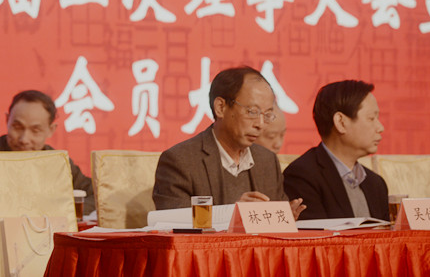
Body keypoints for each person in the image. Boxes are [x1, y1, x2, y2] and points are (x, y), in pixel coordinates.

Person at [152, 66, 305, 218]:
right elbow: (174, 222)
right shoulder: (180, 161)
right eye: (252, 112)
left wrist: (284, 217)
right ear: (220, 108)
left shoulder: (267, 161)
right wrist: (231, 215)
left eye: (267, 114)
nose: (260, 124)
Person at [283, 80, 388, 220]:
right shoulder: (302, 177)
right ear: (341, 122)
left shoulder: (376, 183)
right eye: (371, 118)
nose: (380, 127)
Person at [0, 90, 95, 214]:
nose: (24, 139)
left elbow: (97, 195)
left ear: (51, 130)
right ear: (7, 120)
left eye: (35, 130)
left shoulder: (57, 162)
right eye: (17, 127)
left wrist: (62, 212)